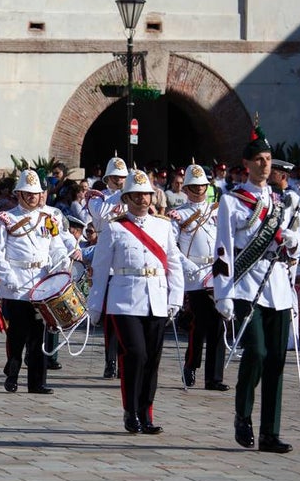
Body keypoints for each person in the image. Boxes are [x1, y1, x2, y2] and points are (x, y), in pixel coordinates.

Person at [212, 125, 300, 454]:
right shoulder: (232, 202)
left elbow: (294, 251)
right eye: (260, 160)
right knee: (258, 352)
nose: (266, 165)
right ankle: (242, 413)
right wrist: (222, 294)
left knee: (277, 360)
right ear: (246, 164)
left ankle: (270, 432)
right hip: (246, 287)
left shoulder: (282, 202)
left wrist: (293, 244)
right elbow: (223, 249)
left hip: (277, 286)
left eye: (269, 160)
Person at [89, 168, 184, 434]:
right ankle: (130, 411)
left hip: (156, 298)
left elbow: (174, 265)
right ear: (126, 198)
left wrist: (175, 298)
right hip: (124, 300)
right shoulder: (114, 228)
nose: (143, 200)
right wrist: (95, 305)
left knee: (152, 359)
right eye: (136, 196)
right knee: (136, 354)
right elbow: (100, 267)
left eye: (146, 195)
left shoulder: (163, 226)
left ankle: (147, 412)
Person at [0, 169, 78, 395]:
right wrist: (9, 278)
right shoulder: (6, 219)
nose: (31, 197)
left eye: (35, 193)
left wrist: (61, 267)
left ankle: (37, 382)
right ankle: (13, 374)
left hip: (41, 283)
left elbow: (57, 248)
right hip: (16, 284)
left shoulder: (48, 219)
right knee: (17, 334)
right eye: (26, 193)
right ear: (18, 194)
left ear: (41, 195)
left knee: (39, 334)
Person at [171, 163, 226, 390]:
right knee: (200, 324)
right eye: (194, 187)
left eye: (202, 186)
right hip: (194, 276)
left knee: (219, 325)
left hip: (216, 273)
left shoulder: (217, 210)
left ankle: (214, 378)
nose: (199, 190)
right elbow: (171, 247)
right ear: (186, 189)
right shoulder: (178, 214)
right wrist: (186, 266)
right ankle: (191, 364)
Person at [86, 156, 129, 378]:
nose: (120, 181)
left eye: (123, 178)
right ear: (107, 178)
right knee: (108, 315)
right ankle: (110, 361)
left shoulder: (131, 197)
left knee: (126, 315)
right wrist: (123, 195)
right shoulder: (97, 198)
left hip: (124, 258)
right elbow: (101, 214)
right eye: (116, 177)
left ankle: (124, 360)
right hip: (105, 258)